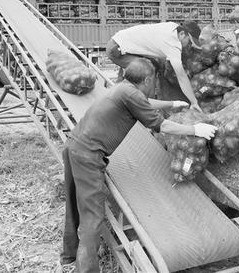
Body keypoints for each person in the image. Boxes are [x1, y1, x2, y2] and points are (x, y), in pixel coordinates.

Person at [59, 58, 217, 273]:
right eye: (155, 80)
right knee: (92, 218)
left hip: (74, 146)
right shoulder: (131, 94)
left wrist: (171, 104)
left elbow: (144, 102)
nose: (155, 84)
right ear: (148, 79)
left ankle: (68, 256)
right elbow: (162, 125)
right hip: (88, 156)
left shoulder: (123, 89)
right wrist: (195, 130)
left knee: (74, 204)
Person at [106, 20, 203, 112]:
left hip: (125, 46)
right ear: (182, 34)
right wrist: (194, 102)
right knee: (147, 69)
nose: (189, 45)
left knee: (157, 65)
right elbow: (181, 76)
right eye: (189, 41)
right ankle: (143, 108)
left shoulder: (172, 27)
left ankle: (150, 103)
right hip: (117, 49)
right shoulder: (172, 43)